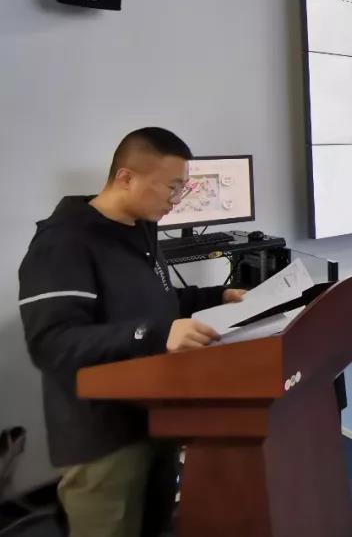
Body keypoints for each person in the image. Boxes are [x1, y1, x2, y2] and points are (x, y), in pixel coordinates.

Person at [18, 128, 246, 537]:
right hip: (104, 436)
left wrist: (218, 296)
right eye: (172, 188)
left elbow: (155, 301)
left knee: (157, 525)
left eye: (182, 188)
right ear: (126, 177)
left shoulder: (139, 228)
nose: (176, 200)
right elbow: (52, 343)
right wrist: (154, 334)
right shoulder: (63, 243)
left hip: (156, 416)